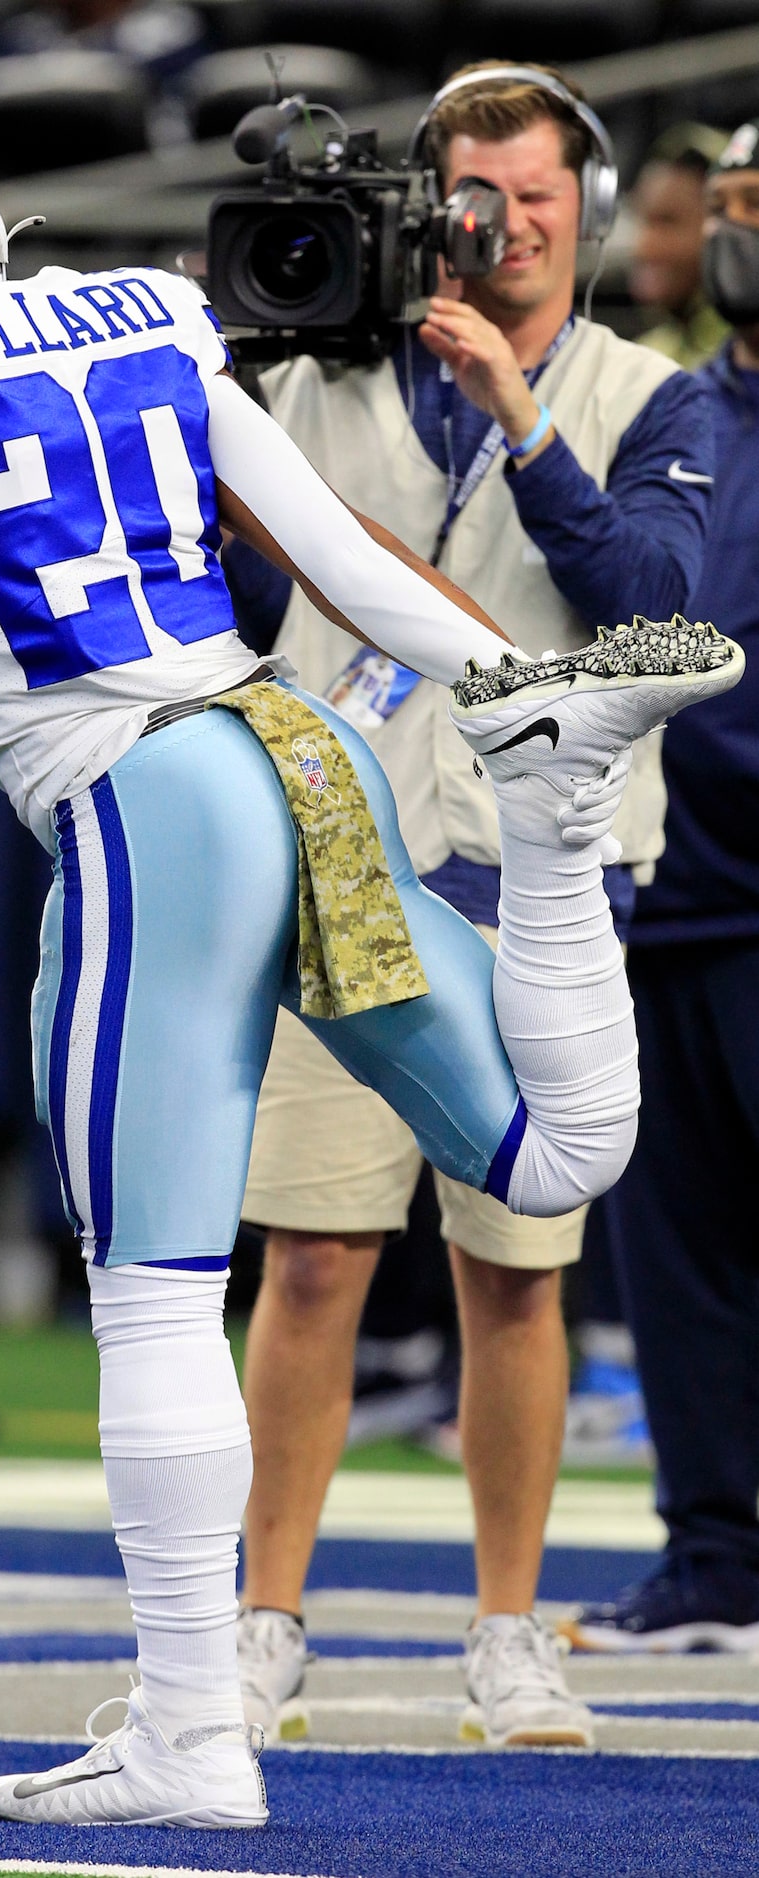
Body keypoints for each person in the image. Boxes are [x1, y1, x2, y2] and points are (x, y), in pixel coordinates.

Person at [0, 105, 738, 1827]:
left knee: (151, 1283)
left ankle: (191, 1726)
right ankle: (556, 823)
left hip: (137, 799)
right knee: (557, 1155)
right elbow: (336, 559)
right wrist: (507, 677)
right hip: (296, 749)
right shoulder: (143, 310)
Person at [231, 62, 717, 1750]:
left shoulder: (642, 394)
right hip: (337, 858)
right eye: (468, 194)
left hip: (538, 879)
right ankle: (259, 1624)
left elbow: (649, 610)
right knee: (306, 1256)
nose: (496, 224)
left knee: (516, 1274)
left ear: (578, 203)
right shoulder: (304, 364)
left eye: (527, 194)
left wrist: (519, 418)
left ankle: (507, 1629)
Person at [563, 120, 759, 1657]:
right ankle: (709, 1552)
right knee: (673, 1253)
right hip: (660, 883)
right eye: (733, 203)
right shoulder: (667, 401)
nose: (735, 226)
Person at [631, 122, 730, 372]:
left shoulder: (748, 360)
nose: (644, 248)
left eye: (668, 222)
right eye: (644, 221)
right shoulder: (643, 362)